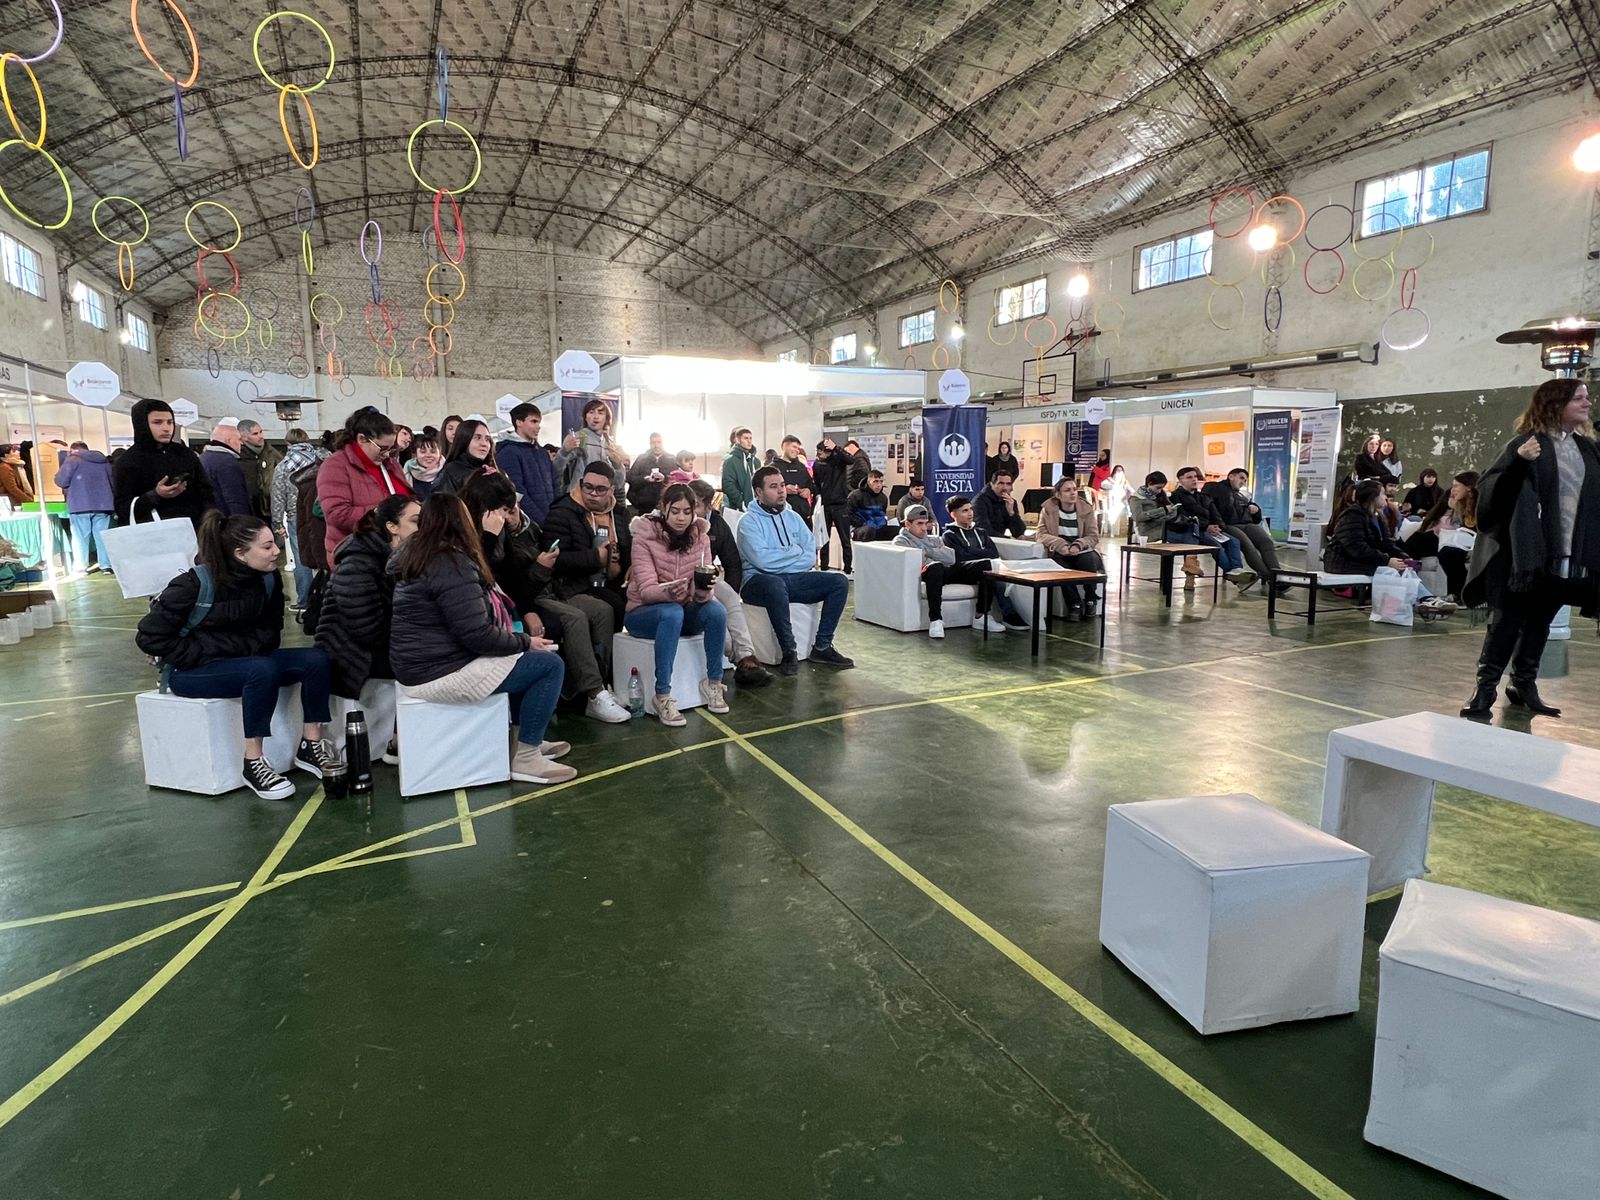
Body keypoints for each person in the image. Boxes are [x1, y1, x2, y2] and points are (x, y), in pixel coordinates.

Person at [135, 512, 342, 801]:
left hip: (246, 661)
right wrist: (203, 652)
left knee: (315, 660)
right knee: (262, 669)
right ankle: (254, 761)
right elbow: (149, 637)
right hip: (192, 672)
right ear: (240, 554)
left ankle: (311, 743)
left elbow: (271, 632)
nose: (277, 551)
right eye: (267, 546)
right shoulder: (193, 584)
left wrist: (240, 649)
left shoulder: (268, 580)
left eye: (275, 543)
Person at [390, 494, 574, 785]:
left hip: (422, 665)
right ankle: (526, 757)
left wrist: (517, 643)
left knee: (521, 658)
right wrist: (525, 641)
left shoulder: (419, 556)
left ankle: (523, 741)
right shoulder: (449, 563)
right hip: (439, 671)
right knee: (548, 665)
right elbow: (477, 635)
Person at [1461, 379, 1600, 719]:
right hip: (1522, 556)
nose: (1587, 403)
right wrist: (1519, 463)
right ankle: (1484, 689)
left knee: (1540, 623)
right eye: (1578, 398)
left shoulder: (1586, 449)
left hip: (1564, 557)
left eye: (1586, 398)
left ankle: (1523, 685)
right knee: (1505, 623)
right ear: (1555, 404)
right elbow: (1491, 498)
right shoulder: (1526, 444)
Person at [462, 468, 632, 725]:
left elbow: (514, 573)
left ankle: (601, 683)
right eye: (504, 510)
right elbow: (490, 577)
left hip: (550, 589)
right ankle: (593, 692)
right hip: (519, 597)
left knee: (603, 610)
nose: (508, 516)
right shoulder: (477, 533)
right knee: (574, 618)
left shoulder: (515, 528)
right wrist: (541, 573)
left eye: (511, 509)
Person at [315, 495, 419, 752]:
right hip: (351, 654)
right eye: (417, 521)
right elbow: (366, 629)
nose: (424, 527)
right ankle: (399, 741)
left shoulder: (402, 557)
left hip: (376, 644)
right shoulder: (358, 561)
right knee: (426, 661)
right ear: (392, 527)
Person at [625, 483, 731, 726]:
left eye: (687, 511)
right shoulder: (643, 536)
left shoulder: (701, 537)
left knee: (716, 611)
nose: (681, 518)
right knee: (672, 612)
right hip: (642, 613)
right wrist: (671, 592)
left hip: (683, 609)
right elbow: (646, 591)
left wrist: (702, 588)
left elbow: (703, 594)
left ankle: (714, 683)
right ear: (663, 509)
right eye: (675, 511)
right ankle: (662, 695)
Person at [735, 465, 854, 674]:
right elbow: (762, 562)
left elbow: (809, 556)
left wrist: (786, 556)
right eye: (773, 487)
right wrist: (794, 551)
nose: (781, 491)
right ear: (759, 492)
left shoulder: (794, 517)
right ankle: (789, 651)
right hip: (757, 583)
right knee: (775, 583)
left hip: (793, 579)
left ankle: (822, 646)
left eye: (782, 485)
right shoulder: (748, 522)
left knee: (839, 581)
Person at [1327, 479, 1456, 616]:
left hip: (1361, 560)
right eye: (1382, 493)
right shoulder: (1352, 516)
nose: (1386, 497)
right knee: (1392, 570)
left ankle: (1425, 602)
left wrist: (1404, 557)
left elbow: (1388, 544)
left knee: (1403, 567)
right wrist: (1387, 561)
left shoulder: (1377, 517)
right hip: (1343, 562)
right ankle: (1426, 600)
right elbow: (1356, 548)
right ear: (1373, 497)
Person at [688, 479, 770, 687]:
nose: (688, 511)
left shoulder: (716, 525)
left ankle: (747, 655)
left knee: (730, 597)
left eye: (694, 505)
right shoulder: (676, 525)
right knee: (716, 610)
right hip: (683, 582)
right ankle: (739, 659)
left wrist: (728, 591)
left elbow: (732, 563)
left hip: (705, 579)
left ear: (708, 506)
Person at [541, 461, 632, 627]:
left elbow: (629, 548)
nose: (593, 494)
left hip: (616, 579)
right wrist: (596, 557)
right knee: (615, 606)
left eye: (600, 489)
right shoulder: (562, 512)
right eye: (588, 487)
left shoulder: (620, 514)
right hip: (577, 584)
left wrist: (633, 566)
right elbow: (554, 560)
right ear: (581, 484)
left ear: (611, 490)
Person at [316, 408, 411, 562]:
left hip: (396, 552)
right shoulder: (335, 466)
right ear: (362, 439)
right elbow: (336, 514)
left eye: (391, 448)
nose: (387, 454)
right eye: (382, 448)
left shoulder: (391, 464)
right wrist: (385, 513)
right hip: (358, 556)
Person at [114, 398, 214, 527]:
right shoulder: (128, 461)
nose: (166, 428)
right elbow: (123, 508)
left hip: (193, 529)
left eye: (170, 422)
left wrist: (210, 522)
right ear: (142, 424)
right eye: (157, 422)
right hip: (153, 532)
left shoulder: (185, 453)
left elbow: (206, 492)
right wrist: (155, 495)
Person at [942, 495, 1030, 632]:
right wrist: (982, 553)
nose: (970, 513)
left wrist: (971, 551)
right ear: (954, 515)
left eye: (971, 509)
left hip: (984, 570)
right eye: (965, 510)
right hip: (961, 571)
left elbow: (993, 553)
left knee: (989, 573)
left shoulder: (981, 532)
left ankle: (983, 616)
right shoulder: (949, 535)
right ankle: (1007, 614)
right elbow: (960, 558)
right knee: (988, 568)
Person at [271, 429, 329, 608]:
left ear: (288, 444)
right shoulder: (322, 459)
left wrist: (277, 522)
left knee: (301, 557)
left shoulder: (283, 466)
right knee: (324, 552)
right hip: (322, 512)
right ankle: (326, 597)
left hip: (297, 515)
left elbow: (277, 496)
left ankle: (304, 600)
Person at [1173, 466, 1255, 592]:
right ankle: (1235, 576)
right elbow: (1185, 517)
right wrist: (1206, 527)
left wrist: (1218, 526)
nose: (1194, 479)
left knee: (1234, 541)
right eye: (1189, 477)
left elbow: (1215, 514)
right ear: (1180, 480)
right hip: (1194, 530)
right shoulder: (1176, 498)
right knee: (1217, 547)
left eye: (1195, 477)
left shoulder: (1204, 497)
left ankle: (1237, 570)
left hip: (1211, 529)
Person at [1203, 467, 1283, 590]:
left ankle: (1277, 575)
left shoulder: (1241, 494)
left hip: (1246, 523)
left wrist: (1255, 509)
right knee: (1247, 545)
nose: (1243, 482)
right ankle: (1269, 578)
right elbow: (1212, 507)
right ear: (1231, 476)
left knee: (1267, 542)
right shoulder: (1215, 488)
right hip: (1228, 525)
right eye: (1241, 478)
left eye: (1245, 480)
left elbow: (1250, 510)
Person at [1404, 471, 1478, 600]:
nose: (1453, 490)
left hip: (1469, 542)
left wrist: (1456, 509)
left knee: (1446, 551)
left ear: (1468, 487)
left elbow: (1468, 528)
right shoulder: (1455, 505)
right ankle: (1405, 567)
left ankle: (1458, 593)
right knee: (1420, 540)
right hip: (1450, 540)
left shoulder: (1478, 505)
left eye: (1456, 486)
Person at [1035, 478, 1103, 619]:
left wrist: (1078, 545)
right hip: (1061, 551)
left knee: (1088, 560)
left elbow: (1093, 536)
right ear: (1058, 495)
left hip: (1083, 550)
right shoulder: (1048, 510)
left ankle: (1091, 599)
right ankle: (1074, 604)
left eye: (1074, 489)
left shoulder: (1086, 509)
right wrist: (1060, 545)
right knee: (1060, 567)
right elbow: (1040, 534)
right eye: (1067, 490)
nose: (1073, 493)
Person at [893, 504, 960, 639]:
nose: (924, 528)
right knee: (936, 567)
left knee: (982, 566)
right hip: (924, 574)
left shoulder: (934, 539)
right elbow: (919, 562)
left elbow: (951, 558)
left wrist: (927, 551)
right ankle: (936, 620)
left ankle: (981, 615)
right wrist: (936, 553)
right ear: (907, 524)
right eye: (919, 523)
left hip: (944, 571)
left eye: (926, 523)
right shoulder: (901, 541)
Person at [53, 442, 115, 574]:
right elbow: (113, 482)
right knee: (102, 536)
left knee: (80, 537)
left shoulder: (72, 460)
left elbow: (61, 481)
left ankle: (81, 567)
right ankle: (106, 565)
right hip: (103, 505)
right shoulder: (103, 461)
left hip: (80, 505)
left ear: (73, 450)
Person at [497, 403, 562, 525]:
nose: (538, 427)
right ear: (519, 422)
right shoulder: (508, 452)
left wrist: (556, 515)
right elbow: (518, 493)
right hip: (528, 524)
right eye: (533, 421)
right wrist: (542, 521)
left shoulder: (542, 453)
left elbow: (556, 484)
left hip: (551, 520)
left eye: (539, 422)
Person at [559, 399, 628, 491]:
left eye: (600, 413)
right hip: (580, 494)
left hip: (602, 495)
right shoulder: (579, 437)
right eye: (591, 412)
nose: (595, 416)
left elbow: (618, 483)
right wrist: (564, 452)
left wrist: (618, 465)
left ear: (606, 418)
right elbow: (557, 471)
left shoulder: (610, 443)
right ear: (585, 417)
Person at [810, 436, 853, 572]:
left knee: (845, 539)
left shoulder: (838, 460)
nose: (818, 455)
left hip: (840, 504)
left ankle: (847, 568)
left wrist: (836, 448)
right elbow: (816, 482)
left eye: (820, 452)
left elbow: (850, 460)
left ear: (827, 451)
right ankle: (824, 566)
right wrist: (818, 495)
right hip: (825, 505)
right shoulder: (817, 464)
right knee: (824, 538)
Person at [199, 417, 251, 517]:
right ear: (229, 440)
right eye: (239, 439)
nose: (241, 443)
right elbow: (235, 499)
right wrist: (242, 522)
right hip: (225, 520)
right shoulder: (228, 463)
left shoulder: (202, 458)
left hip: (208, 519)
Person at [433, 419, 497, 497]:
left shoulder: (493, 470)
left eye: (487, 439)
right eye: (477, 438)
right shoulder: (451, 472)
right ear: (464, 440)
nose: (484, 444)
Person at [236, 419, 281, 521]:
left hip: (271, 508)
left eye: (261, 432)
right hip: (250, 509)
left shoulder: (271, 453)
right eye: (255, 434)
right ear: (243, 437)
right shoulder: (239, 457)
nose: (260, 436)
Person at [626, 433, 677, 514]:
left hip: (667, 504)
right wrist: (645, 479)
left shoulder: (672, 459)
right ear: (650, 444)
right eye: (653, 442)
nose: (656, 445)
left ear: (663, 443)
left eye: (659, 442)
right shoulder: (641, 459)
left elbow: (677, 480)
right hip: (644, 505)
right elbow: (630, 478)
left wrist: (664, 478)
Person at [973, 468, 1025, 539]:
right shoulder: (980, 502)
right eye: (1001, 483)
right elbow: (983, 530)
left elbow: (1019, 532)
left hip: (999, 539)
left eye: (1008, 484)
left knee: (1022, 537)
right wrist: (1007, 539)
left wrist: (1011, 513)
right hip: (982, 540)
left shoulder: (1010, 502)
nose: (1004, 488)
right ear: (992, 484)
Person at [775, 435, 816, 523]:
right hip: (782, 515)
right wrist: (784, 490)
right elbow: (767, 490)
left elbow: (811, 484)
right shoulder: (773, 468)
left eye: (798, 448)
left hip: (803, 515)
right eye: (794, 447)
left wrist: (808, 490)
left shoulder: (801, 467)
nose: (797, 450)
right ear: (784, 446)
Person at [848, 470, 897, 541]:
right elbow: (849, 515)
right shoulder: (855, 495)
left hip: (879, 527)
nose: (879, 485)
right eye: (875, 481)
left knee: (899, 531)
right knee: (869, 531)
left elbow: (883, 514)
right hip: (860, 528)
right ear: (868, 482)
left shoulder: (883, 498)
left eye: (881, 481)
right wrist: (863, 523)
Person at [721, 427, 760, 511]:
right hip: (738, 508)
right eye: (745, 438)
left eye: (750, 438)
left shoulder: (755, 461)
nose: (749, 441)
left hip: (757, 505)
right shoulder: (730, 461)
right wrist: (741, 503)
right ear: (738, 440)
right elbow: (728, 485)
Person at [403, 433, 444, 501]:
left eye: (433, 452)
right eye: (423, 452)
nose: (428, 455)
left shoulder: (447, 472)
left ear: (440, 454)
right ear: (416, 454)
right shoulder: (408, 470)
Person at [1099, 465, 1132, 536]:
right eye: (1117, 470)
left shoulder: (1125, 482)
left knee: (1130, 508)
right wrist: (1114, 483)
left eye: (1121, 471)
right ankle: (1113, 530)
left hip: (1123, 502)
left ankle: (1129, 528)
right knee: (1115, 509)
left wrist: (1128, 495)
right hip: (1112, 503)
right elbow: (1102, 485)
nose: (1119, 473)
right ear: (1114, 472)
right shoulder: (1109, 481)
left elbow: (1132, 491)